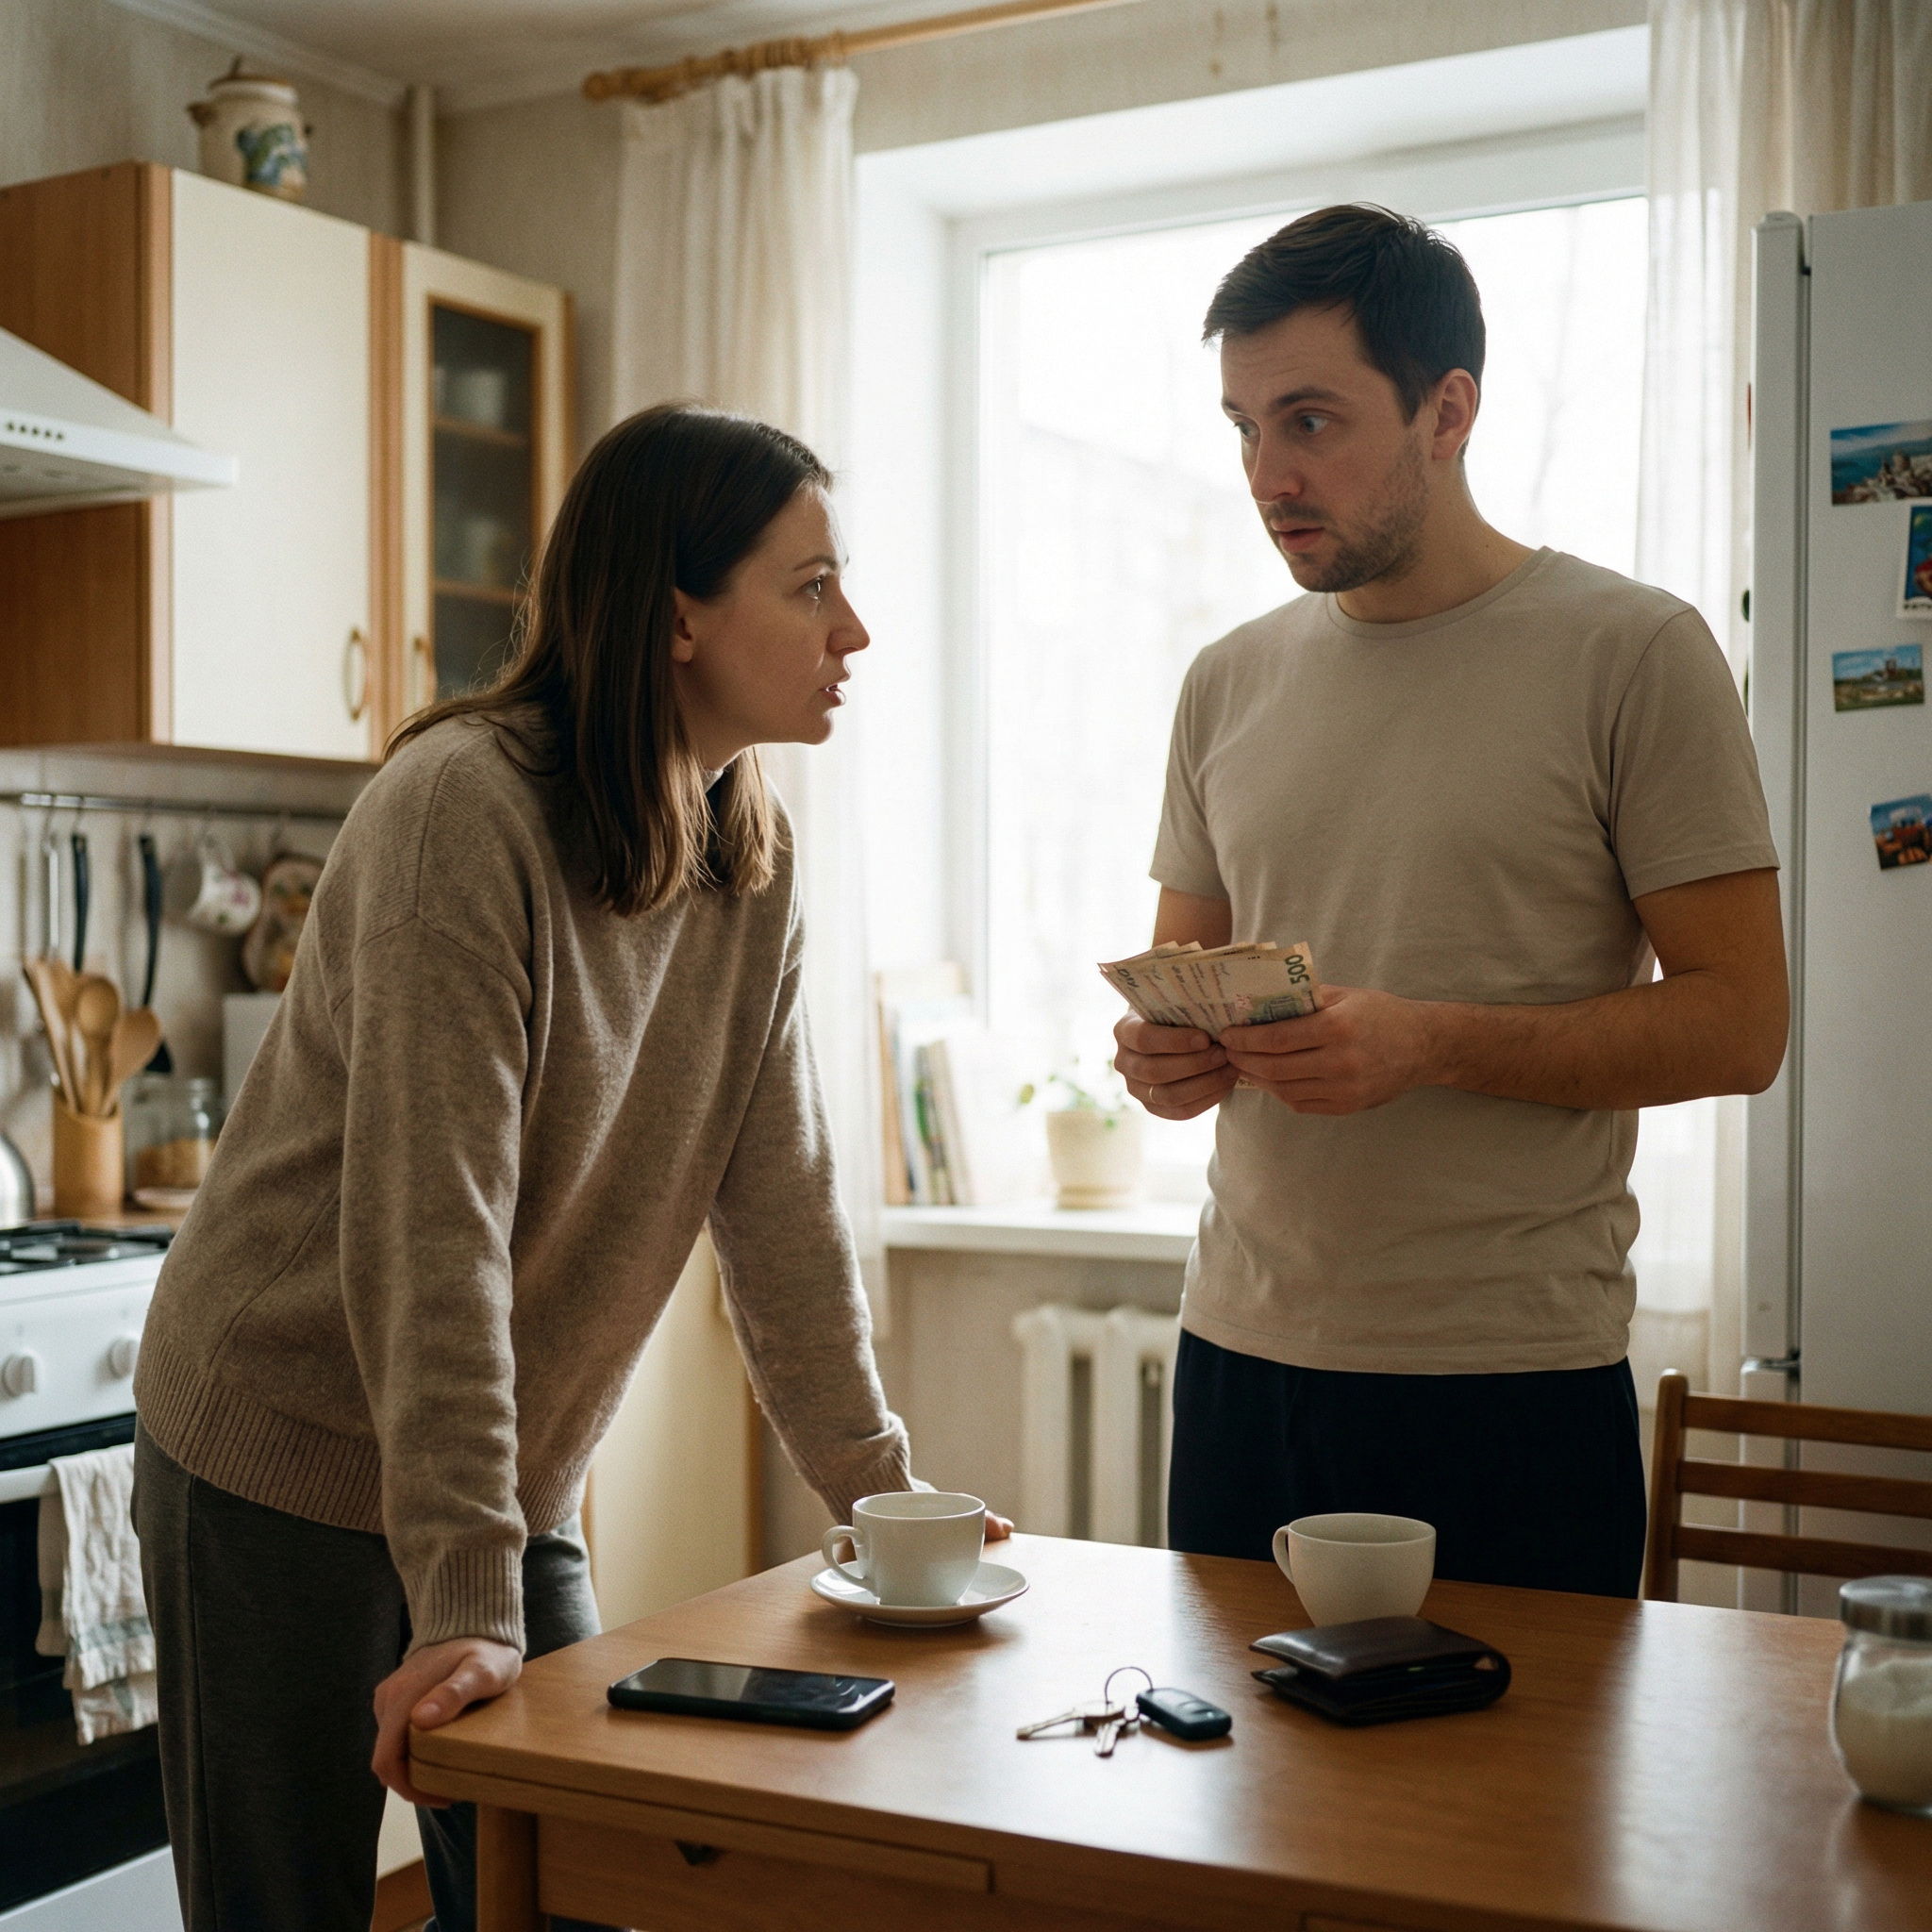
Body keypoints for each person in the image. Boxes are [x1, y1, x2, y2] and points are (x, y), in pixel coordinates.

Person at [132, 403, 1008, 1932]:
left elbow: (785, 1205)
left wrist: (884, 1498)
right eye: (810, 586)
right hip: (281, 1447)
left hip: (499, 1477)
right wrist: (468, 1601)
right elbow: (434, 1230)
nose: (852, 627)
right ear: (678, 613)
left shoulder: (754, 852)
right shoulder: (461, 813)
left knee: (580, 1889)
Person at [1113, 205, 1788, 1597]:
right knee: (1223, 1815)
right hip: (1239, 1356)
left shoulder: (1636, 652)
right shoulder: (1221, 681)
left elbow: (1741, 1027)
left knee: (1517, 1819)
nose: (1266, 474)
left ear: (1447, 410)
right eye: (1242, 427)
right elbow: (1184, 986)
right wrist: (1163, 1058)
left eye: (1310, 421)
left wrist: (1428, 1042)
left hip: (1509, 1382)